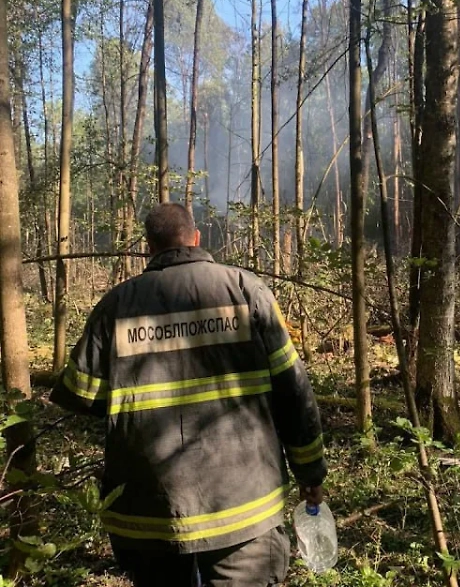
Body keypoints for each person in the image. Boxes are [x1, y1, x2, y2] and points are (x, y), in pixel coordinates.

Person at [50, 203, 328, 586]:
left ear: (150, 247)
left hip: (150, 513)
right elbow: (292, 390)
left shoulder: (116, 306)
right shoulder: (247, 291)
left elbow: (82, 395)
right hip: (243, 508)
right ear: (196, 238)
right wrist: (310, 471)